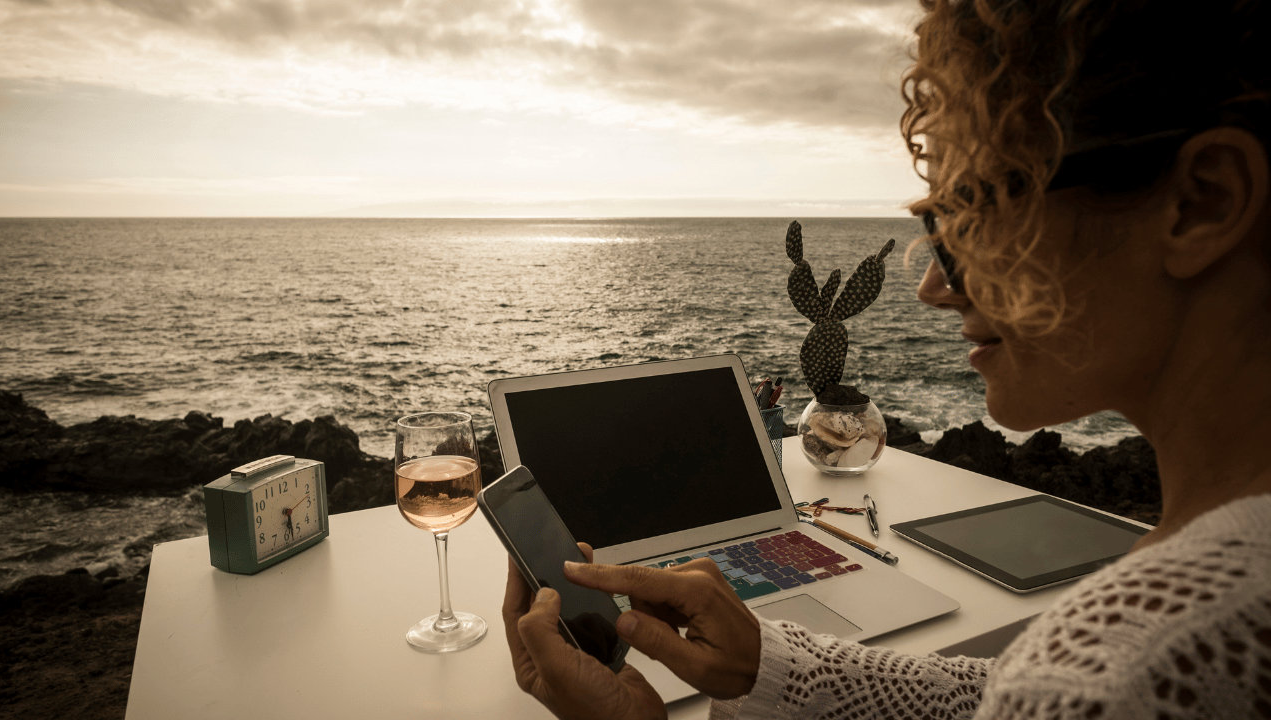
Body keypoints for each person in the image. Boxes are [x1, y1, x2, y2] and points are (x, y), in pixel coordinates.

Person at [501, 0, 1271, 717]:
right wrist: (767, 662)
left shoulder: (1135, 665)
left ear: (1202, 201)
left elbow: (1049, 694)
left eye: (966, 216)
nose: (936, 285)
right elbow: (1003, 694)